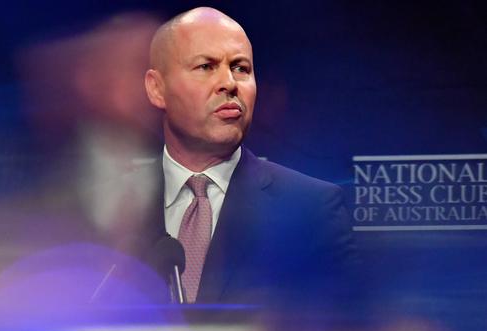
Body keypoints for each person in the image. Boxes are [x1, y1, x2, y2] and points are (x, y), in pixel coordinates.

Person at [143, 7, 358, 307]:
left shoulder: (312, 211)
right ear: (157, 88)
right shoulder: (110, 205)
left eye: (241, 68)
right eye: (206, 66)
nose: (229, 83)